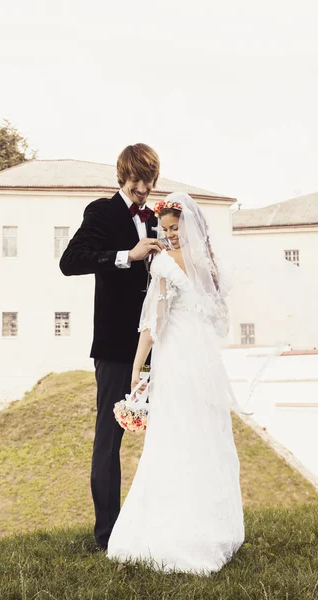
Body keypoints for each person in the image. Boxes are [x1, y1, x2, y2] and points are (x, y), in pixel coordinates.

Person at [107, 192, 244, 574]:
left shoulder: (164, 264)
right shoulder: (210, 266)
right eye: (164, 229)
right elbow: (218, 321)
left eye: (174, 228)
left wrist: (137, 366)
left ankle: (179, 531)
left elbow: (155, 321)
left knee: (176, 438)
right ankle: (209, 527)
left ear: (188, 227)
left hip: (178, 359)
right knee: (202, 437)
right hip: (202, 360)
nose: (169, 235)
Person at [59, 144, 164, 549]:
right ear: (122, 177)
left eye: (148, 181)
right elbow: (71, 261)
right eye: (136, 181)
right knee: (109, 439)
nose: (142, 189)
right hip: (117, 346)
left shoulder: (158, 217)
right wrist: (127, 255)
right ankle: (108, 534)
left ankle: (158, 522)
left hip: (161, 343)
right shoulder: (101, 212)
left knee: (169, 432)